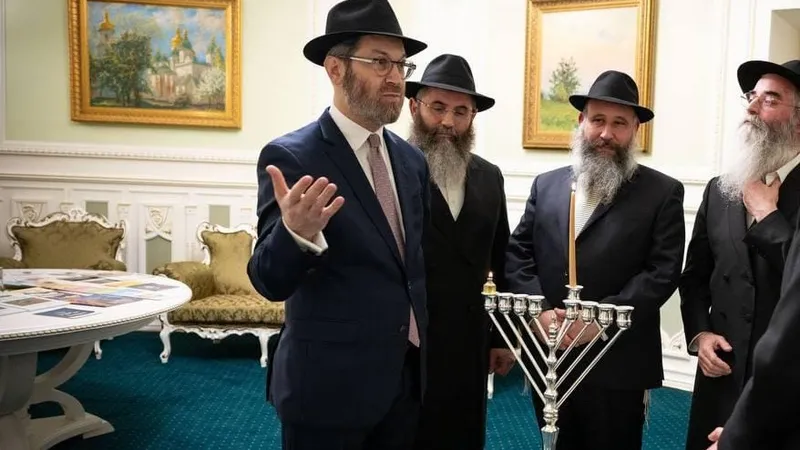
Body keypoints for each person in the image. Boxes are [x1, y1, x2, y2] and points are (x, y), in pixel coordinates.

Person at [246, 1, 432, 449]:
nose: (396, 77)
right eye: (380, 62)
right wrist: (294, 234)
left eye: (401, 64)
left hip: (405, 380)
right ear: (335, 68)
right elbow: (268, 280)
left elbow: (410, 268)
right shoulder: (293, 157)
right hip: (327, 390)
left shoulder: (411, 161)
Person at [505, 70, 686, 450]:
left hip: (616, 357)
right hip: (551, 352)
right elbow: (519, 251)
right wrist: (540, 311)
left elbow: (662, 272)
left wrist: (599, 320)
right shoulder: (547, 184)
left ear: (635, 129)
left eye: (619, 123)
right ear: (581, 121)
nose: (606, 133)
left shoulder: (662, 192)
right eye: (597, 120)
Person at [680, 58, 800, 450]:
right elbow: (695, 277)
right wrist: (700, 334)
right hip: (721, 373)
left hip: (780, 388)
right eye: (751, 96)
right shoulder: (720, 189)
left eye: (770, 99)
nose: (751, 108)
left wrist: (768, 217)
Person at [402, 53, 516, 450]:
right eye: (438, 107)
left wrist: (502, 337)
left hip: (469, 343)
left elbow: (500, 258)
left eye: (460, 111)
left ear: (473, 117)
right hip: (410, 343)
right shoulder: (392, 169)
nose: (448, 121)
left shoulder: (490, 176)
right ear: (414, 107)